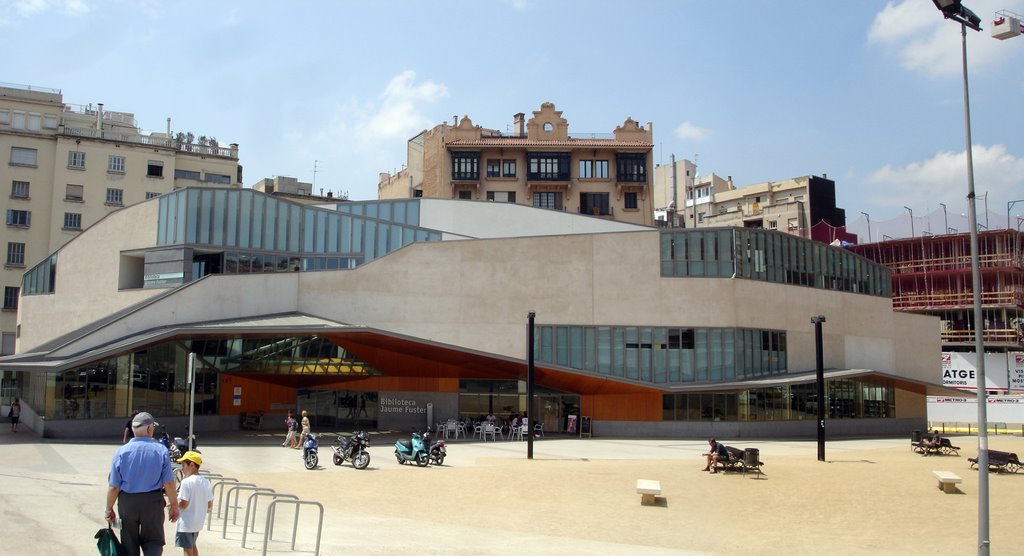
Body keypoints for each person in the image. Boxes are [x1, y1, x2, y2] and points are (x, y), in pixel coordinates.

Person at [106, 411, 180, 556]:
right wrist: (174, 506)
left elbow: (114, 486)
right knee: (153, 541)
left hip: (127, 502)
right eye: (152, 427)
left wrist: (109, 509)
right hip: (152, 502)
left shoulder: (121, 452)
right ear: (148, 429)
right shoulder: (161, 450)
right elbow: (169, 483)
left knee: (128, 542)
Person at [174, 451, 213, 556]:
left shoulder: (186, 482)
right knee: (192, 545)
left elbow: (183, 503)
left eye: (183, 465)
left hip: (186, 522)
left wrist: (173, 504)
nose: (182, 468)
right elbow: (209, 504)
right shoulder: (206, 482)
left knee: (187, 549)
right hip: (198, 521)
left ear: (192, 465)